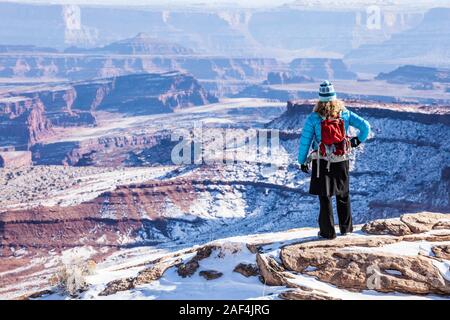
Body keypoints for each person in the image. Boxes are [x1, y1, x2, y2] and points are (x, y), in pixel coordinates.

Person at [297, 80, 371, 239]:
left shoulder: (314, 118)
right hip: (341, 159)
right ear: (334, 97)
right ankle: (346, 229)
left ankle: (327, 232)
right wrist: (355, 142)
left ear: (320, 98)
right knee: (343, 195)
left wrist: (302, 161)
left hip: (322, 162)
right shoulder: (345, 113)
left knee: (325, 197)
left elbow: (305, 141)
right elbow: (366, 127)